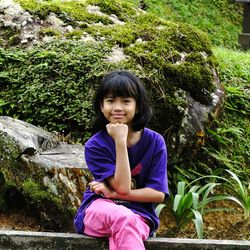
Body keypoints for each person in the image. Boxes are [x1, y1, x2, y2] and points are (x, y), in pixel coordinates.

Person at [74, 70, 169, 250]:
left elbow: (158, 194)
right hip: (98, 209)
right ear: (101, 106)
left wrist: (114, 193)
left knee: (123, 231)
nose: (117, 107)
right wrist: (120, 141)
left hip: (140, 215)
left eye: (126, 101)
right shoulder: (95, 145)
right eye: (110, 101)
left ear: (138, 106)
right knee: (122, 217)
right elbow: (123, 186)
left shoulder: (155, 142)